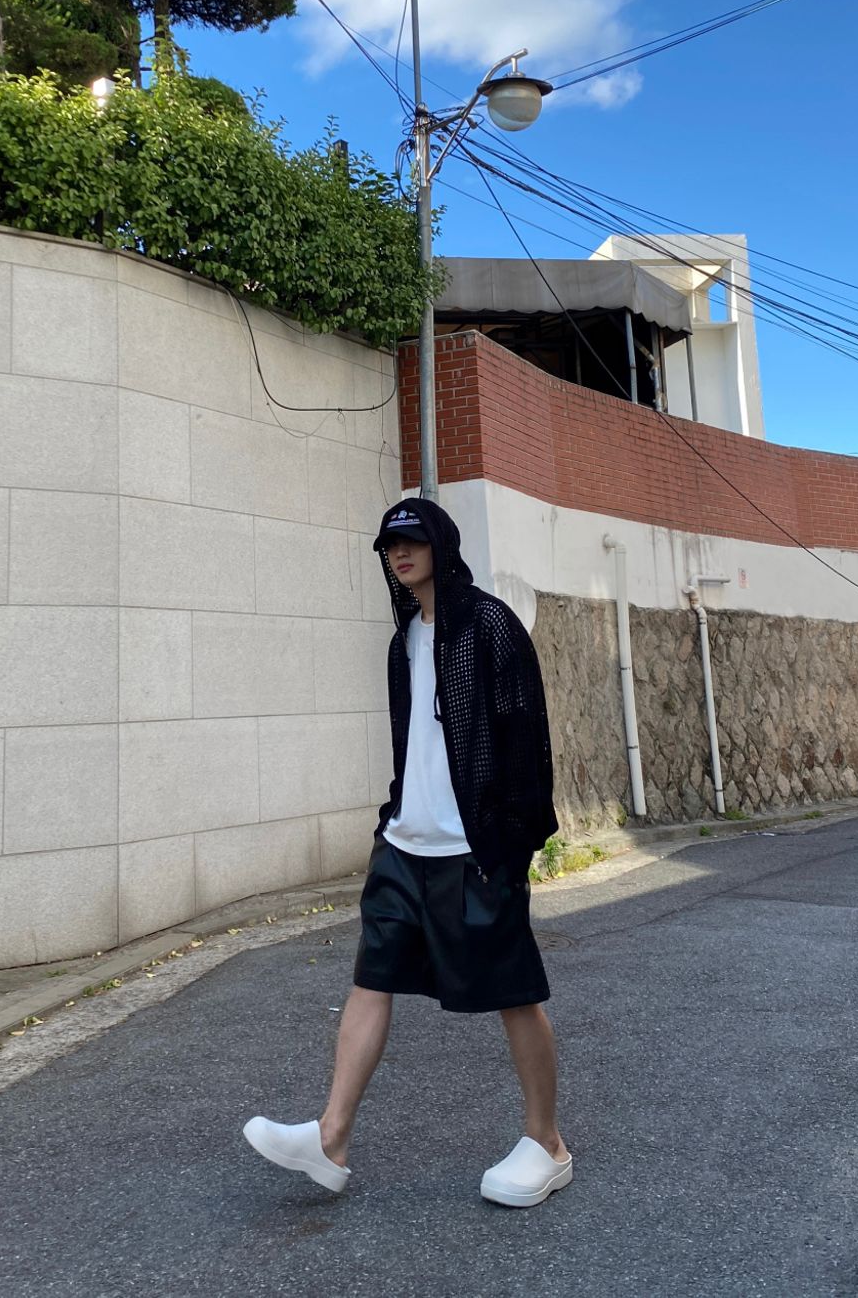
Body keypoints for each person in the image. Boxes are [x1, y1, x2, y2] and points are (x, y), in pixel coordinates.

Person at [243, 498, 571, 1208]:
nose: (400, 553)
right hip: (403, 846)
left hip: (475, 850)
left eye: (412, 540)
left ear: (440, 546)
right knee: (372, 979)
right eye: (390, 545)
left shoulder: (489, 625)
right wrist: (392, 816)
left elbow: (527, 740)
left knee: (514, 994)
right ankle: (331, 1138)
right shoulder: (404, 642)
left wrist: (512, 845)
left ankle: (547, 1144)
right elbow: (412, 745)